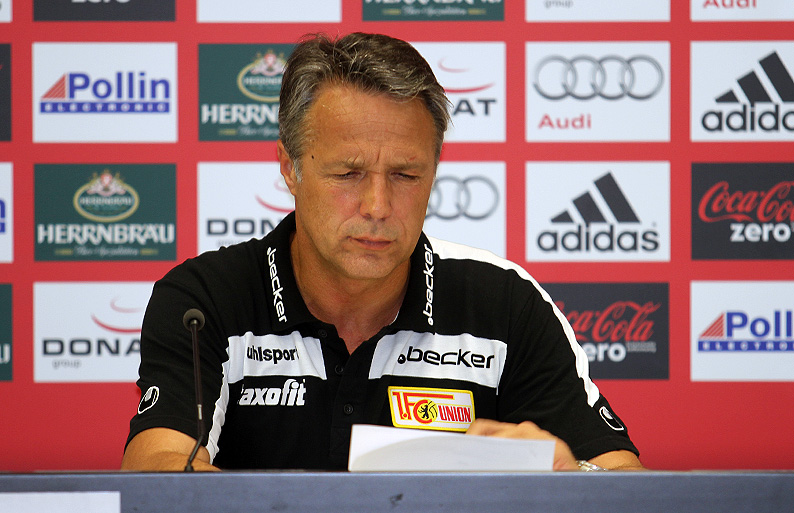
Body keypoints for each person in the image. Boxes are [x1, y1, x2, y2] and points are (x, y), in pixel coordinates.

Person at [122, 32, 643, 472]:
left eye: (405, 175)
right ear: (289, 168)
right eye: (348, 173)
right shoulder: (207, 299)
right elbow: (158, 467)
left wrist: (573, 477)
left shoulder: (505, 305)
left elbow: (627, 481)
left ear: (434, 173)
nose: (377, 205)